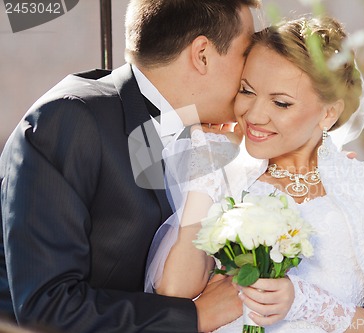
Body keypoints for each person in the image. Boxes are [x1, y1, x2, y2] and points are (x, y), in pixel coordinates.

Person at [148, 15, 364, 332]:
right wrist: (206, 175)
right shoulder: (226, 174)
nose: (254, 115)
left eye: (281, 103)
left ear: (328, 113)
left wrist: (304, 301)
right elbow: (175, 292)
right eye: (246, 91)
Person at [0, 0, 261, 332]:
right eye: (246, 52)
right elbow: (48, 306)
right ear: (202, 54)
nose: (253, 69)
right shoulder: (70, 120)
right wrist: (196, 315)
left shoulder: (206, 137)